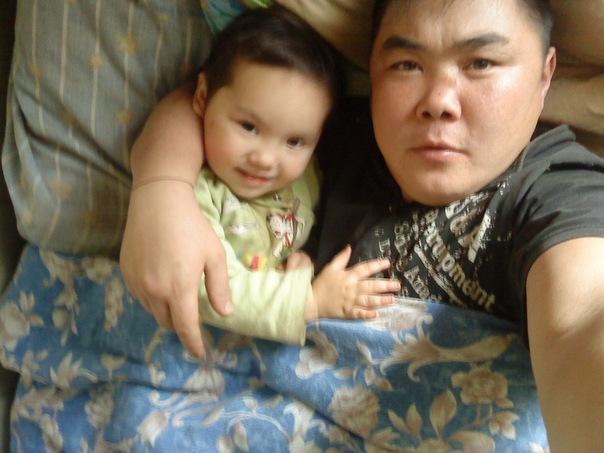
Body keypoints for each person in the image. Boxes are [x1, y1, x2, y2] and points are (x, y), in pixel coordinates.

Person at [121, 1, 604, 450]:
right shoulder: (337, 138)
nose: (439, 101)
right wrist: (162, 190)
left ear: (545, 74)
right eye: (406, 65)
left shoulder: (555, 190)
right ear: (372, 69)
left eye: (480, 63)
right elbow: (210, 105)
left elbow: (581, 321)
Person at [124, 7, 400, 346]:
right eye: (248, 126)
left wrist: (304, 259)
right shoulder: (197, 195)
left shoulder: (307, 177)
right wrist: (311, 300)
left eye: (295, 142)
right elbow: (208, 290)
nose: (266, 159)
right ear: (202, 97)